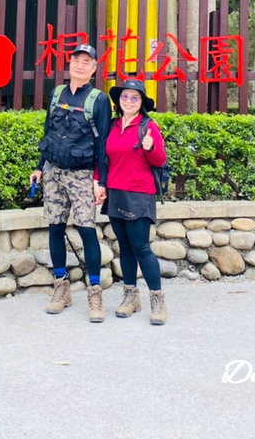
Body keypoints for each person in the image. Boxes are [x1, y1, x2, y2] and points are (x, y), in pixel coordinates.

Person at [30, 43, 111, 322]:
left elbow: (103, 144)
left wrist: (100, 180)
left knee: (87, 229)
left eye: (86, 62)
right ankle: (61, 287)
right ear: (70, 64)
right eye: (76, 59)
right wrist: (40, 168)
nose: (80, 65)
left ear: (94, 68)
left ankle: (94, 291)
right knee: (55, 228)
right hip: (54, 172)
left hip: (82, 175)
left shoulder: (99, 100)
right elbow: (48, 132)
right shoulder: (56, 94)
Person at [103, 78, 168, 325]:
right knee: (125, 247)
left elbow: (160, 160)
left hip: (140, 193)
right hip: (115, 192)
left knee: (141, 247)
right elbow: (103, 159)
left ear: (141, 102)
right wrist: (100, 184)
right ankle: (131, 297)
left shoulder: (148, 126)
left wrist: (151, 147)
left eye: (134, 97)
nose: (128, 101)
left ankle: (157, 301)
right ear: (119, 101)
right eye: (124, 97)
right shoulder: (112, 125)